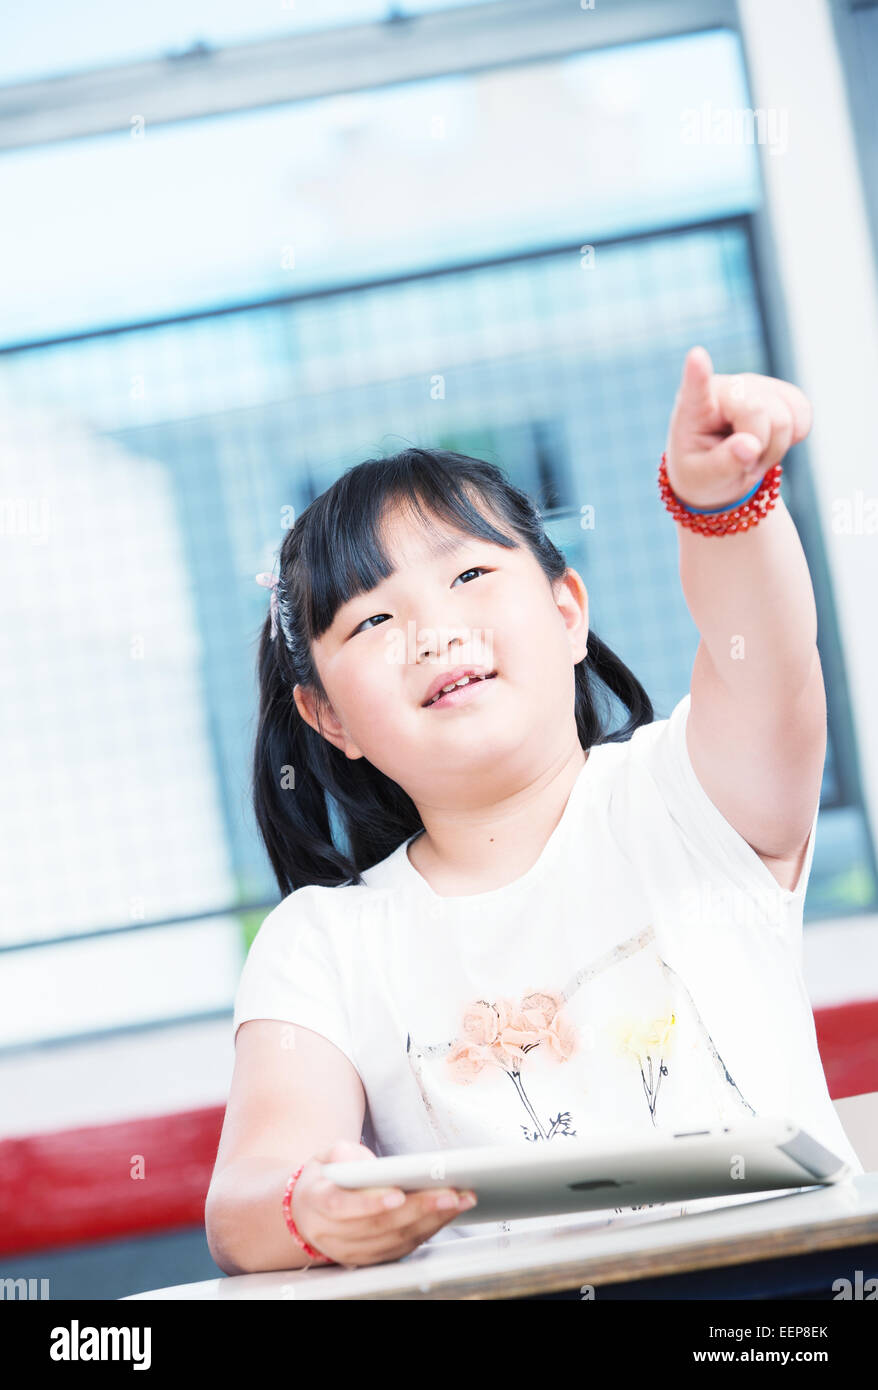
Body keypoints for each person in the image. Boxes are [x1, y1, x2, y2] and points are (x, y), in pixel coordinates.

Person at [205, 349, 864, 1276]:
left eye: (468, 577)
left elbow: (769, 648)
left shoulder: (687, 797)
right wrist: (309, 1209)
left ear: (567, 613)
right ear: (328, 717)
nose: (433, 630)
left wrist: (719, 504)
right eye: (372, 622)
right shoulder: (322, 942)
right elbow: (243, 1204)